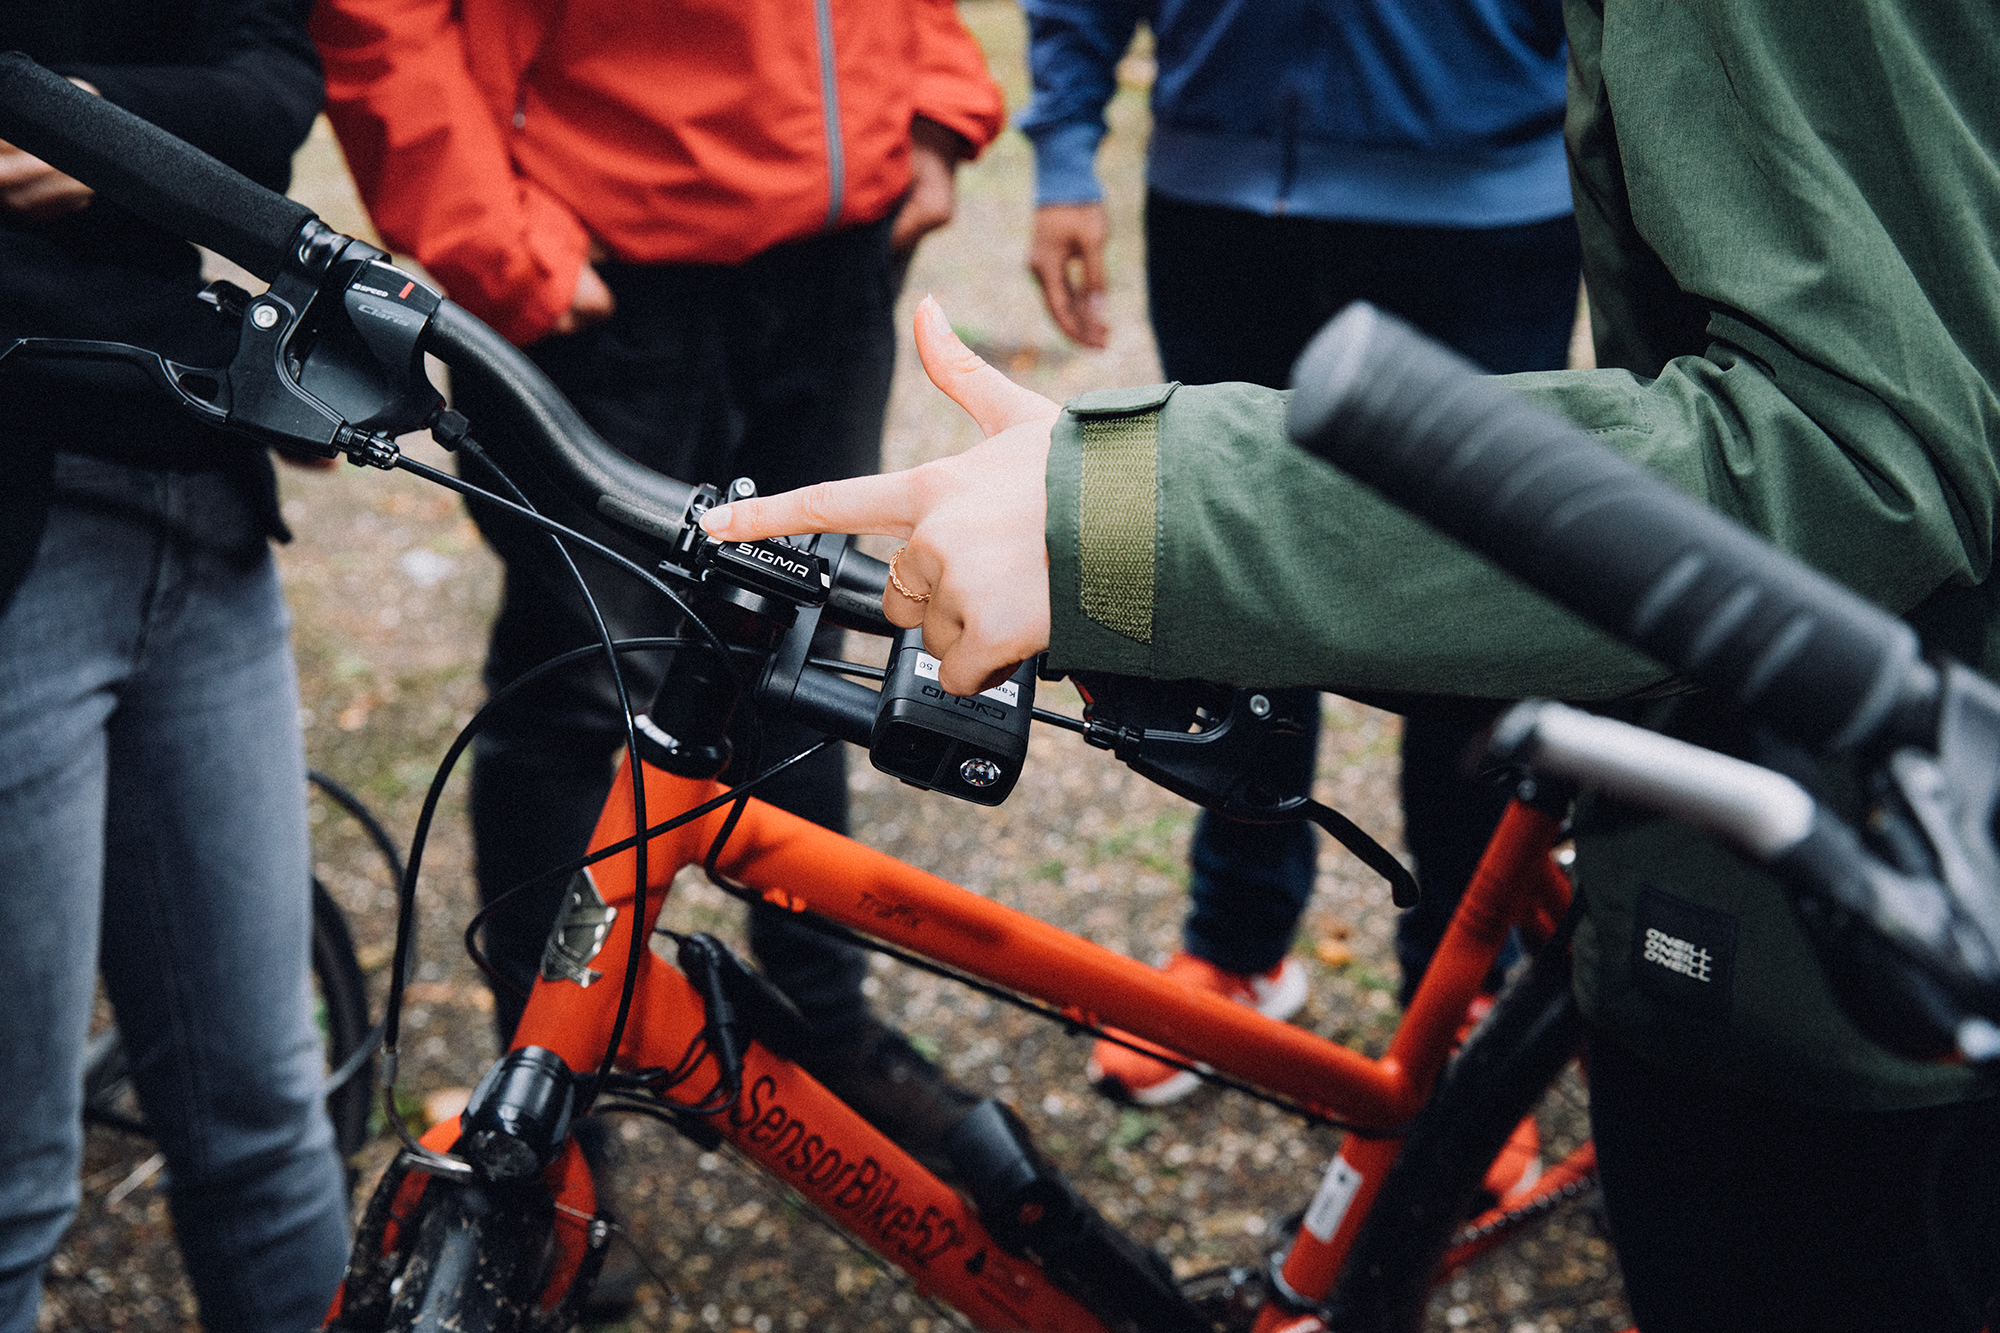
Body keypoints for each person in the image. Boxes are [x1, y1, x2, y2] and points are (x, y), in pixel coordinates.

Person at [703, 0, 2000, 1321]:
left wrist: (1122, 516)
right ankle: (1254, 941)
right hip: (1233, 179)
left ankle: (1459, 996)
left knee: (1462, 678)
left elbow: (1853, 447)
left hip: (1874, 946)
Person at [310, 0, 1006, 1175]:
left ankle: (823, 1024)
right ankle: (541, 1107)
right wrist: (487, 235)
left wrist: (931, 99)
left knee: (802, 660)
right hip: (612, 269)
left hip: (831, 256)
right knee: (587, 683)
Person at [1018, 0, 1580, 1102]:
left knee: (1468, 613)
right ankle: (1233, 945)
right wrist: (1063, 154)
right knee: (1226, 582)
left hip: (1486, 205)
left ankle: (1460, 1000)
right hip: (1216, 195)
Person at [0, 7, 352, 1332]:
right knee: (14, 1192)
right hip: (30, 538)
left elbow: (270, 77)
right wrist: (218, 343)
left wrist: (102, 125)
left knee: (264, 1116)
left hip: (193, 502)